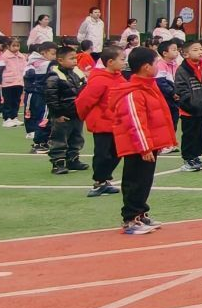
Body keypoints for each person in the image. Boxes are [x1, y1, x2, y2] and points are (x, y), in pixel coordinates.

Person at [111, 47, 175, 235]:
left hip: (148, 143)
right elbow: (135, 122)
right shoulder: (133, 91)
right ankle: (131, 218)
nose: (158, 66)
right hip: (137, 146)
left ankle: (141, 212)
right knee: (135, 180)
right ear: (146, 67)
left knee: (145, 180)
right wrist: (144, 147)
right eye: (156, 63)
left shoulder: (149, 86)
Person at [78, 48, 123, 197]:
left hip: (117, 123)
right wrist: (84, 116)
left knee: (117, 152)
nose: (124, 62)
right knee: (102, 154)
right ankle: (99, 182)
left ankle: (105, 179)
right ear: (110, 62)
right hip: (102, 123)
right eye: (121, 59)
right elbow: (84, 101)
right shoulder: (99, 80)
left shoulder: (120, 78)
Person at [173, 41, 202, 172]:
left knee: (201, 135)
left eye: (200, 49)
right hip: (189, 111)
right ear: (185, 54)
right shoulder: (182, 70)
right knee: (190, 135)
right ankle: (188, 159)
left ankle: (196, 157)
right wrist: (191, 104)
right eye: (195, 50)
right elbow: (181, 90)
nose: (200, 52)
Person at [42, 44, 89, 174]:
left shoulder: (77, 73)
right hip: (62, 115)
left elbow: (85, 91)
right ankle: (58, 163)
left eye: (75, 58)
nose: (75, 61)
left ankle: (73, 159)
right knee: (59, 139)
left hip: (76, 113)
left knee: (77, 138)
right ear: (60, 60)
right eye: (71, 58)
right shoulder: (54, 76)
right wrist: (57, 114)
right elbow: (51, 98)